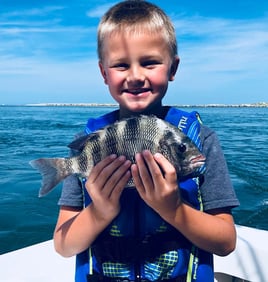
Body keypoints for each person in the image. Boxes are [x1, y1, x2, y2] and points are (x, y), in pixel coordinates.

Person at [53, 1, 239, 281]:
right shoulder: (88, 142)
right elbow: (64, 245)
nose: (136, 76)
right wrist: (101, 210)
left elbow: (226, 242)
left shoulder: (202, 140)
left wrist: (173, 208)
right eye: (121, 65)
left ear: (173, 68)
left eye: (150, 62)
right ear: (104, 73)